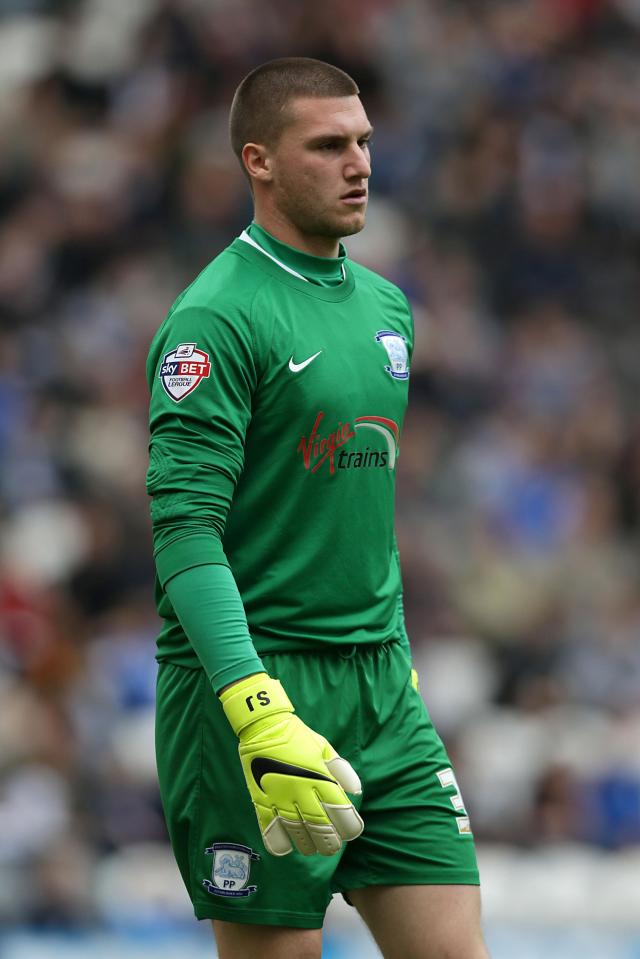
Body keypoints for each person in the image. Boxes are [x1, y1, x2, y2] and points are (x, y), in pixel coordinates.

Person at [146, 57, 490, 959]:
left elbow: (360, 517)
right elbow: (184, 533)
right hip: (252, 687)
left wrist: (400, 660)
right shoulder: (215, 318)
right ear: (258, 160)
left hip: (381, 687)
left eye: (365, 141)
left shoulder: (387, 309)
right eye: (329, 144)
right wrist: (256, 708)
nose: (360, 163)